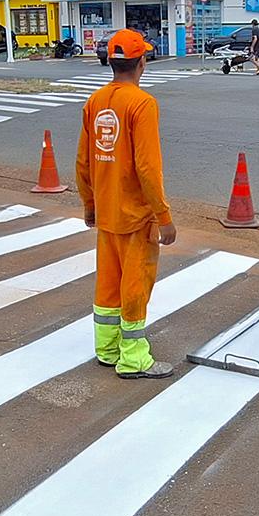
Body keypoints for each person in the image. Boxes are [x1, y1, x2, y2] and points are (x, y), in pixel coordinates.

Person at [76, 29, 178, 380]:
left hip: (106, 212)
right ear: (141, 63)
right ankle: (133, 359)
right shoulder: (141, 104)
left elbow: (83, 161)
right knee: (135, 286)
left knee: (108, 284)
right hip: (137, 217)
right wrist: (163, 217)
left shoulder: (95, 101)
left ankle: (106, 349)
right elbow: (147, 167)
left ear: (111, 62)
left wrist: (89, 203)